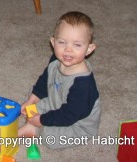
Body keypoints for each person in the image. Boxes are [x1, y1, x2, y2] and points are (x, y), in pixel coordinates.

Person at [18, 11, 101, 150]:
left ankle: (33, 130)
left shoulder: (84, 84)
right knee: (31, 103)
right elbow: (45, 80)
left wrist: (40, 120)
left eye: (77, 45)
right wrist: (31, 100)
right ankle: (35, 119)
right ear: (53, 42)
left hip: (77, 123)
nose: (68, 50)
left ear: (89, 49)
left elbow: (69, 115)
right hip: (55, 102)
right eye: (62, 42)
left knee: (54, 138)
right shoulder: (57, 60)